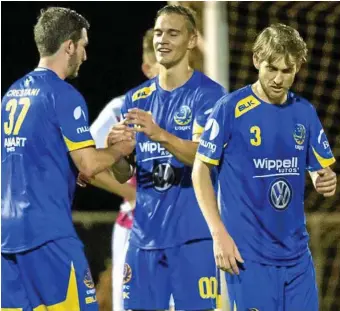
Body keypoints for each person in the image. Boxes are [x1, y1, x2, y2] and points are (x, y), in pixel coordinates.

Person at [192, 23, 338, 311]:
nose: (278, 79)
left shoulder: (304, 111)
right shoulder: (230, 108)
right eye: (272, 68)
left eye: (287, 71)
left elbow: (321, 170)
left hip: (297, 257)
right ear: (257, 61)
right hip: (248, 257)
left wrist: (326, 179)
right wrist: (218, 233)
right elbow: (200, 170)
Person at [1, 7, 134, 311]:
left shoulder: (10, 95)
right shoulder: (63, 95)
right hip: (49, 237)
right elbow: (88, 163)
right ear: (69, 46)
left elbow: (18, 158)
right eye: (84, 46)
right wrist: (117, 151)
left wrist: (64, 170)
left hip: (7, 240)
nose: (85, 56)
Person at [108, 5, 226, 311]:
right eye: (159, 33)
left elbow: (206, 156)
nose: (163, 40)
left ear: (191, 40)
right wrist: (117, 152)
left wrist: (160, 134)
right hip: (143, 239)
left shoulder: (209, 95)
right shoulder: (137, 97)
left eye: (173, 33)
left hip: (192, 239)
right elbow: (125, 173)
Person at [87, 28, 159, 311]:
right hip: (136, 230)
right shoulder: (123, 109)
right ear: (147, 67)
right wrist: (130, 193)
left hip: (185, 232)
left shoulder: (197, 107)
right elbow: (85, 160)